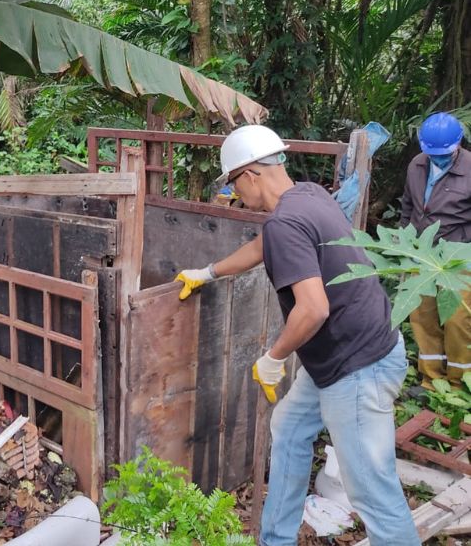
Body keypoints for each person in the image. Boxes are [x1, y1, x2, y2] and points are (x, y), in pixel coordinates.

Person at [176, 125, 419, 546]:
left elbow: (313, 308)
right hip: (341, 356)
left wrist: (273, 358)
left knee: (371, 489)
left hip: (357, 366)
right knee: (288, 429)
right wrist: (209, 272)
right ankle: (276, 539)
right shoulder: (306, 194)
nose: (235, 194)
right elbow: (263, 245)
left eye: (233, 183)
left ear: (250, 173)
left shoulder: (287, 220)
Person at [400, 112, 470, 389]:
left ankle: (459, 382)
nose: (437, 157)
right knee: (422, 315)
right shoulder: (417, 164)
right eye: (432, 153)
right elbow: (408, 205)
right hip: (421, 252)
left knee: (457, 319)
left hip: (458, 256)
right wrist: (404, 241)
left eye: (444, 153)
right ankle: (431, 379)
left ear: (458, 145)